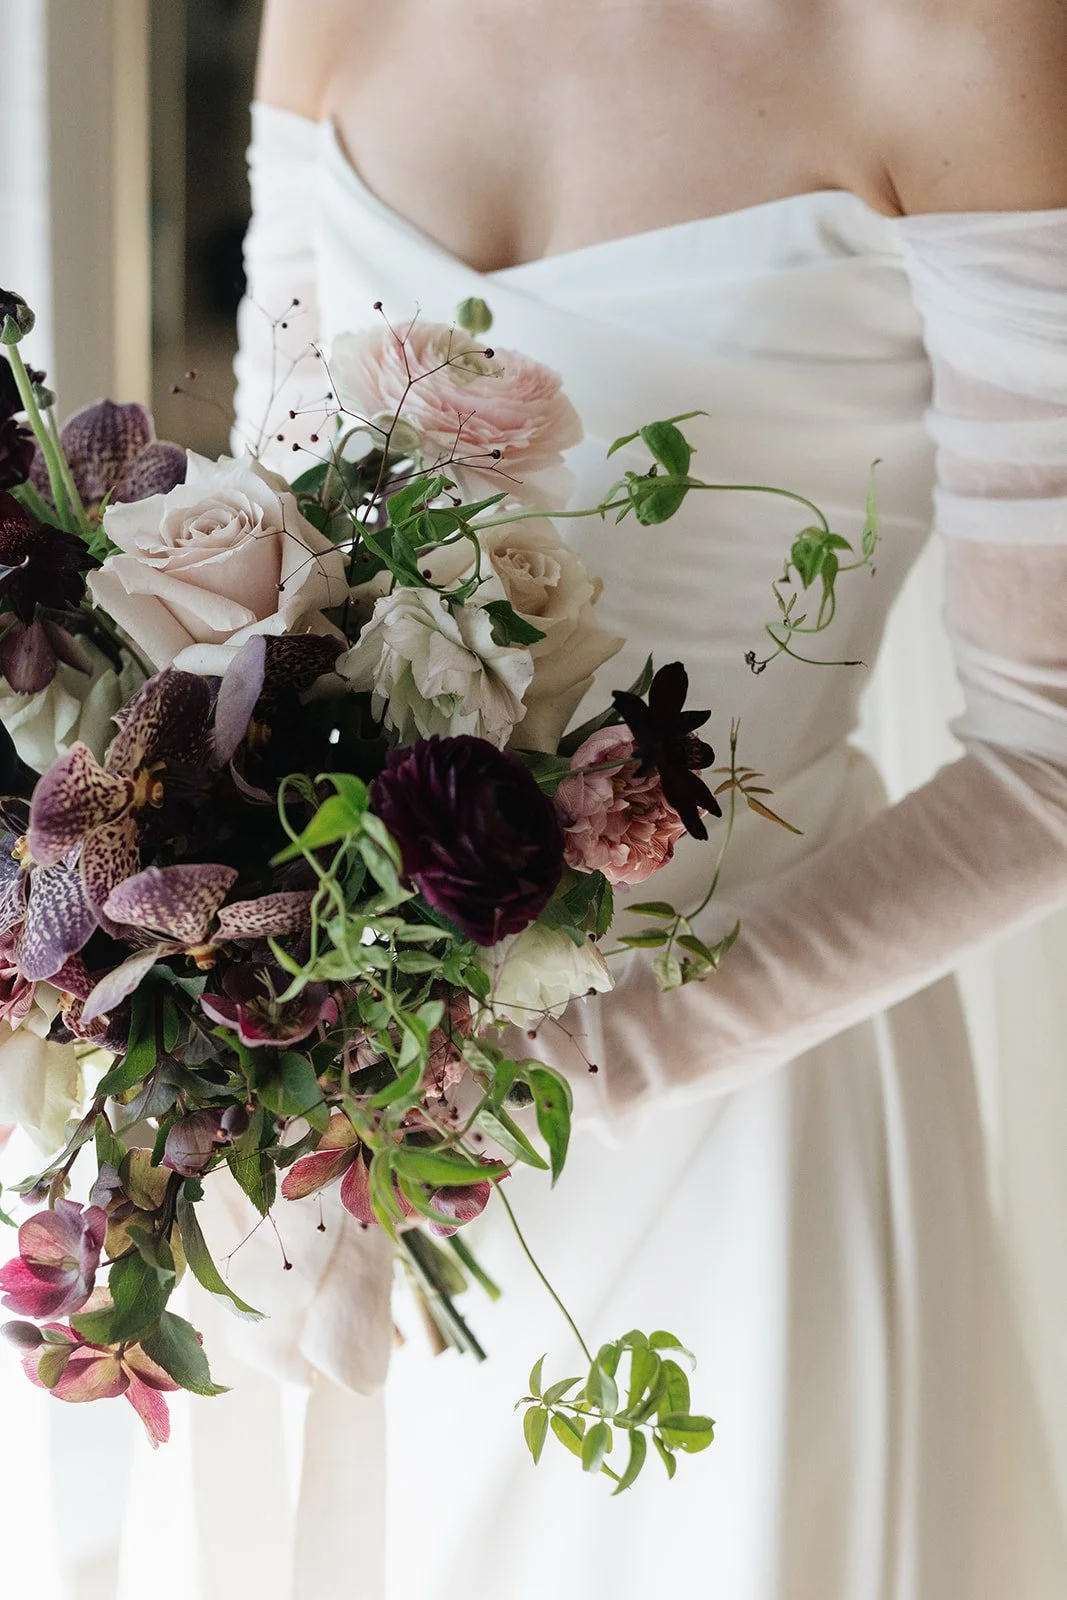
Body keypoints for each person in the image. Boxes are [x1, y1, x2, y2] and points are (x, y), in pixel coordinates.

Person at [221, 2, 1067, 1595]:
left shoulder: (961, 45)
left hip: (733, 1096)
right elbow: (277, 554)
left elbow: (1050, 761)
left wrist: (538, 1078)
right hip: (324, 1132)